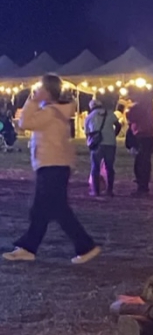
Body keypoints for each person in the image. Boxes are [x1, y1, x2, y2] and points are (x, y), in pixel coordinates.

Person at [2, 74, 100, 264]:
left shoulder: (50, 112)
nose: (37, 91)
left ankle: (85, 245)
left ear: (48, 91)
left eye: (40, 88)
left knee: (57, 210)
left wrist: (32, 100)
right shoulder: (54, 111)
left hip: (51, 165)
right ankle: (28, 248)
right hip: (54, 164)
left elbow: (24, 123)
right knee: (41, 210)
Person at [85, 95, 121, 197]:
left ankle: (96, 191)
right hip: (110, 143)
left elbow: (87, 133)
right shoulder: (109, 113)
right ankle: (109, 190)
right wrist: (113, 135)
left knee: (95, 167)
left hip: (97, 144)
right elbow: (118, 125)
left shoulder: (89, 117)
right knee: (110, 167)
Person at [127, 92, 153, 195]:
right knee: (146, 162)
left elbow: (131, 117)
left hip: (141, 135)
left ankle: (141, 186)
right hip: (149, 136)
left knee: (140, 162)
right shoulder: (149, 108)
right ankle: (144, 184)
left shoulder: (139, 108)